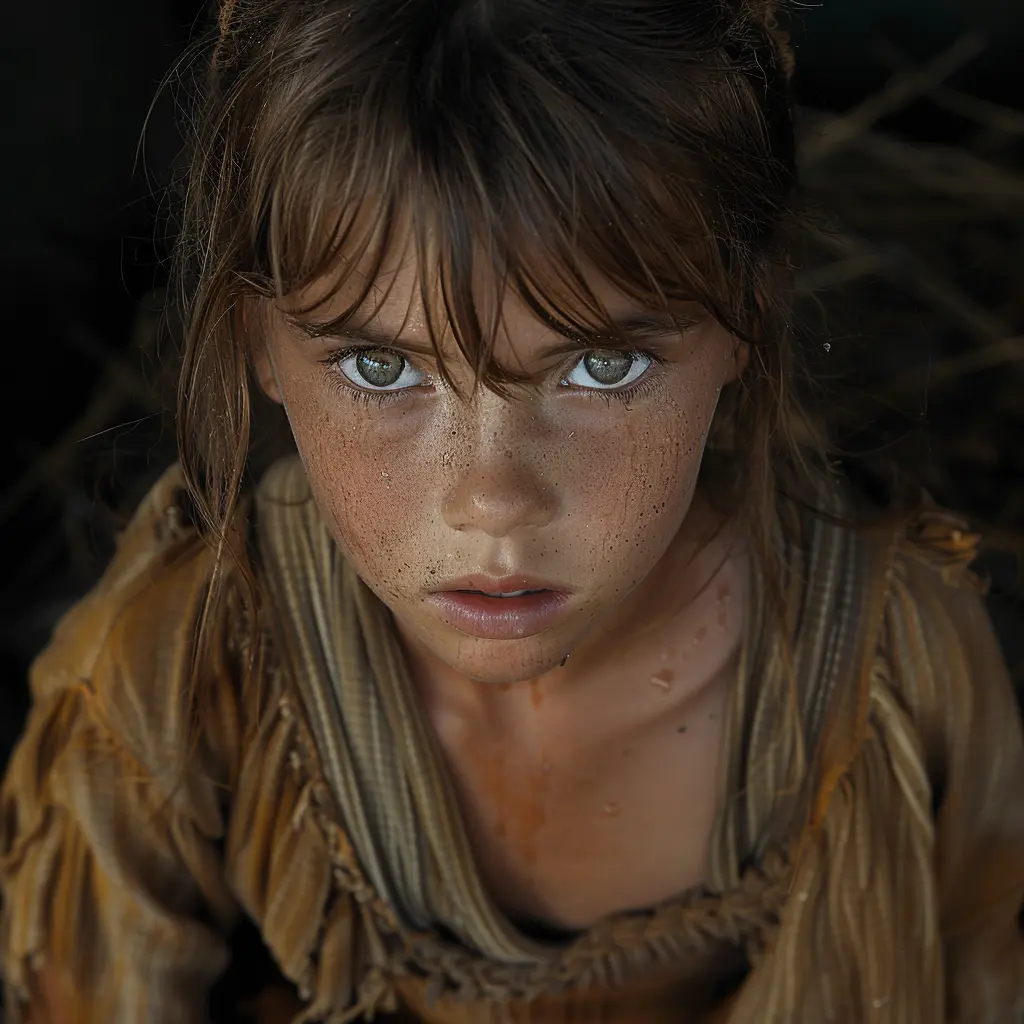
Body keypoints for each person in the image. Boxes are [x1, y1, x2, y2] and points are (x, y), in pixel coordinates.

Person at [2, 1, 1023, 1021]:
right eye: (380, 365)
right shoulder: (179, 675)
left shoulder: (892, 671)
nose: (490, 499)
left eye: (602, 364)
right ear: (260, 341)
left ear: (750, 314)